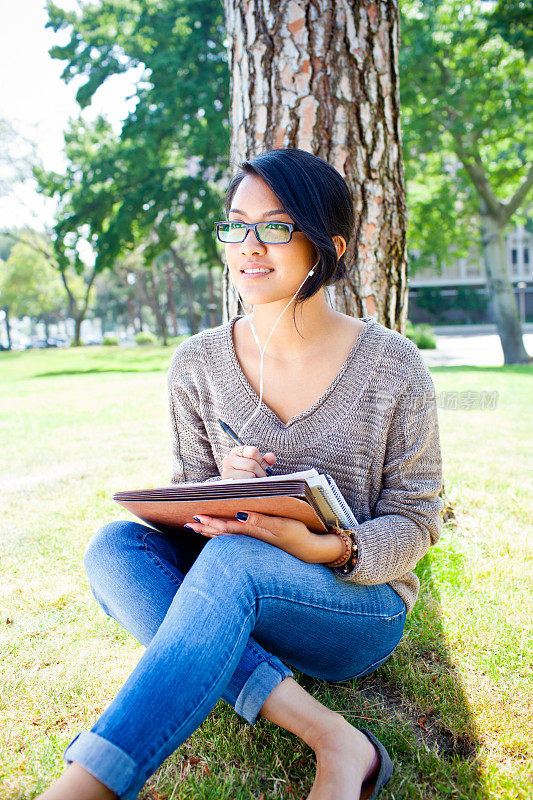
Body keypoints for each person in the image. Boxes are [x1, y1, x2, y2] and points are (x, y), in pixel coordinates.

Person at [38, 148, 443, 800]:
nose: (249, 247)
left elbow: (417, 519)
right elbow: (189, 506)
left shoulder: (392, 366)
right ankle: (330, 736)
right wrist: (217, 487)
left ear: (327, 245)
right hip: (237, 590)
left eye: (276, 227)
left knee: (231, 564)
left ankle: (87, 784)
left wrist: (327, 546)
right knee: (115, 547)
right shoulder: (196, 362)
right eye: (235, 225)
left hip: (352, 609)